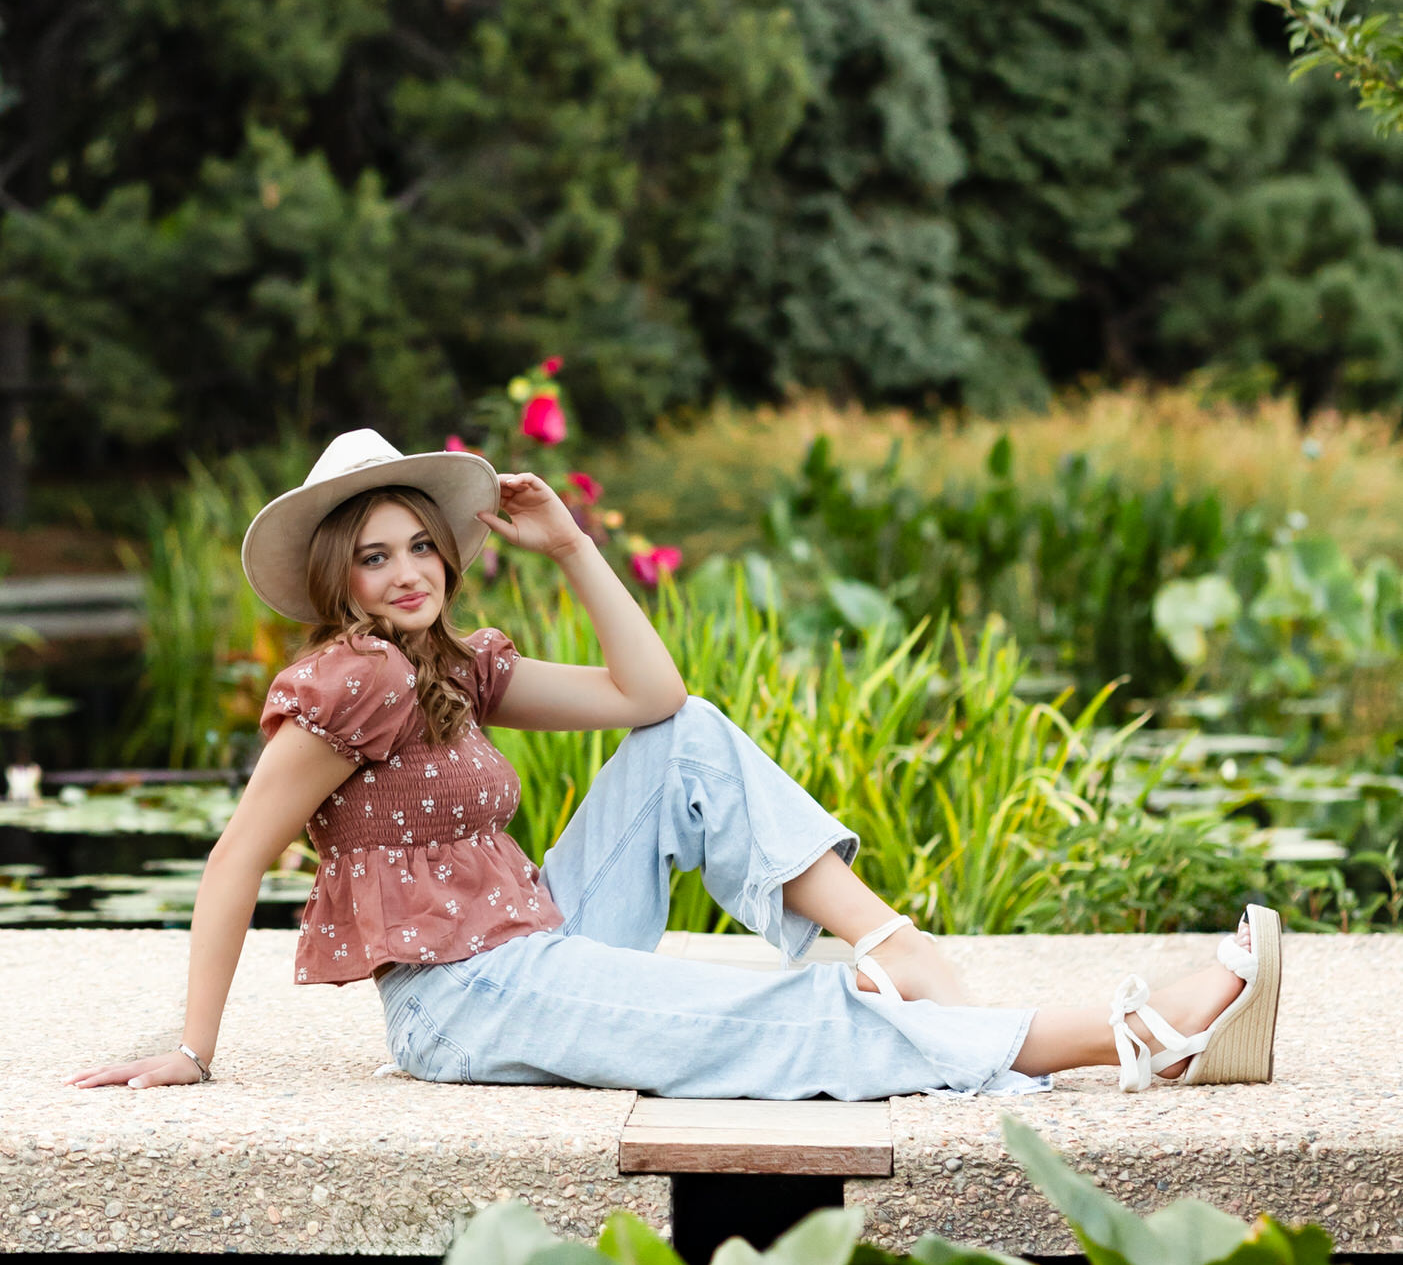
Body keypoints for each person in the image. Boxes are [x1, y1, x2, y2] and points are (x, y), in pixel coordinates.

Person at [72, 431, 1282, 1101]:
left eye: (419, 547)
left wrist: (573, 547)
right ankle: (1122, 1034)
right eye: (373, 556)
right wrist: (192, 1046)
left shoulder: (450, 666)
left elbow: (647, 699)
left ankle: (890, 946)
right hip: (463, 1000)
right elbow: (235, 859)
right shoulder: (351, 680)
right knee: (756, 1016)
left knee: (687, 738)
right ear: (338, 578)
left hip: (536, 939)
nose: (405, 573)